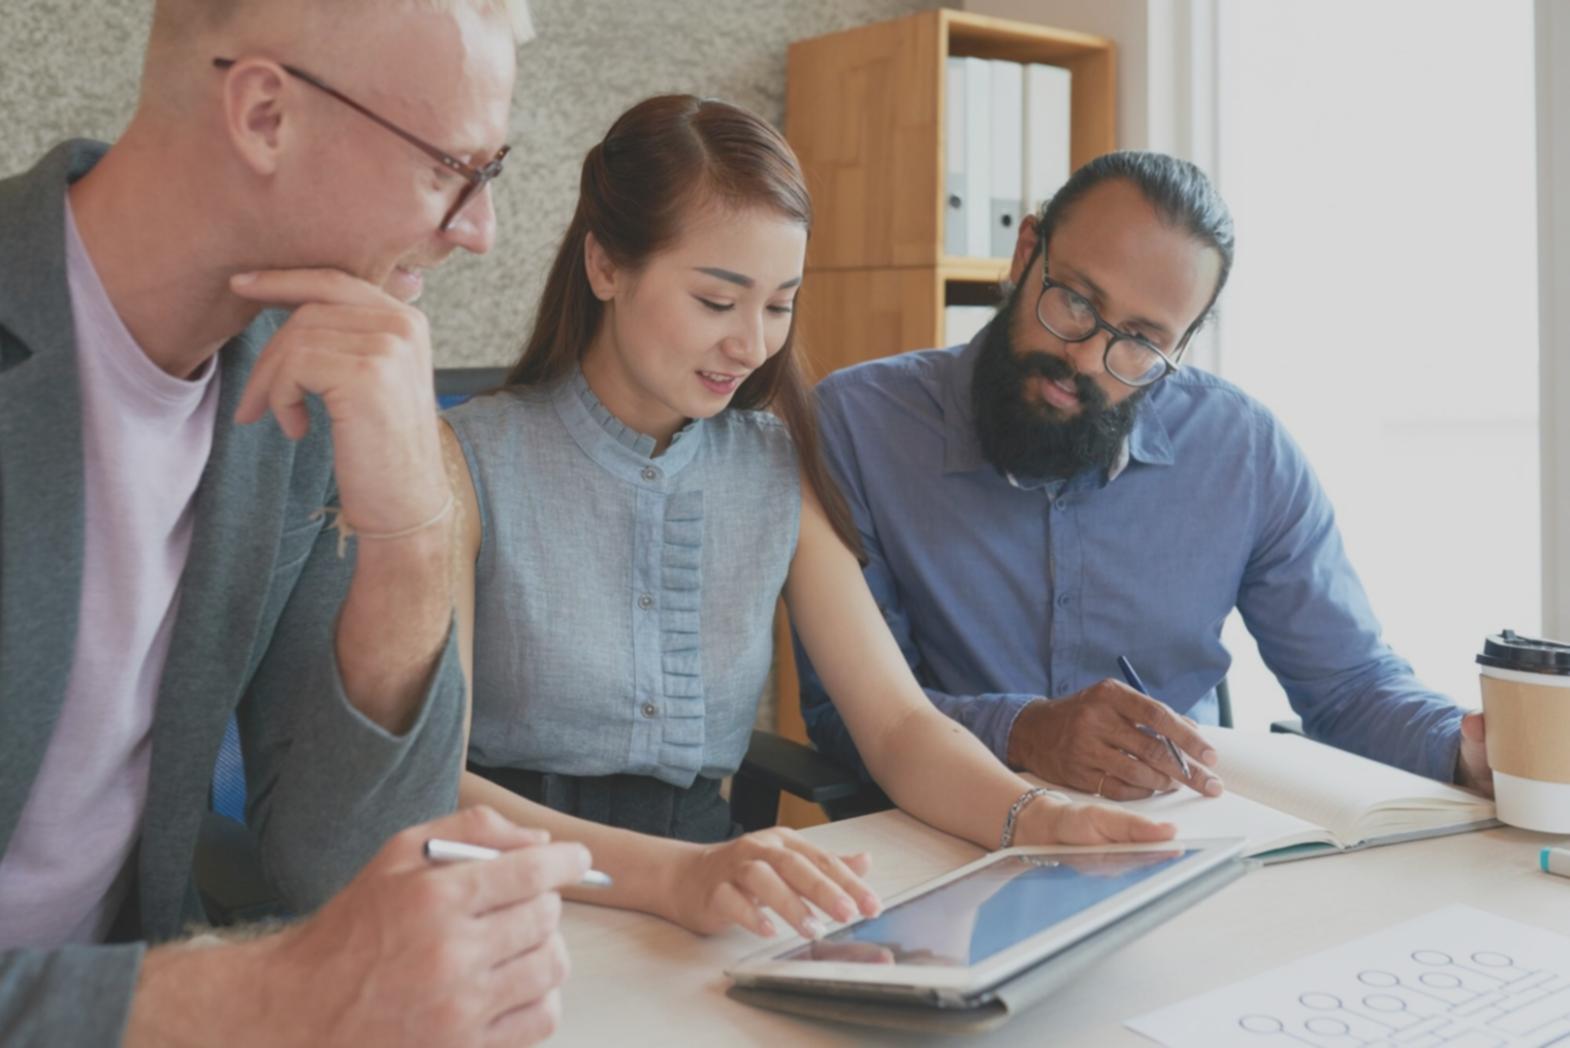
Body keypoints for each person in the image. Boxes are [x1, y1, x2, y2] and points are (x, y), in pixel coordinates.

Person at [442, 95, 1176, 945]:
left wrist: (1037, 817)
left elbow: (897, 725)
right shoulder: (466, 459)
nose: (752, 345)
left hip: (703, 906)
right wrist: (674, 876)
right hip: (508, 895)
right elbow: (427, 784)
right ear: (606, 265)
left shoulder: (772, 461)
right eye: (717, 301)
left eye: (779, 304)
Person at [0, 1, 583, 1044]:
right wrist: (259, 994)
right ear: (266, 114)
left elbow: (344, 864)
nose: (480, 230)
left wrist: (411, 533)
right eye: (454, 167)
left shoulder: (307, 384)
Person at [795, 150, 1494, 805]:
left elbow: (1349, 686)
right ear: (1025, 252)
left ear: (1180, 344)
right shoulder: (856, 426)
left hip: (1179, 838)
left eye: (1141, 340)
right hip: (947, 827)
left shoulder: (1242, 451)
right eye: (1075, 301)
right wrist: (1027, 733)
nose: (1087, 359)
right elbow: (845, 713)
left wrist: (1467, 752)